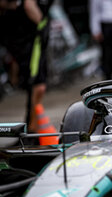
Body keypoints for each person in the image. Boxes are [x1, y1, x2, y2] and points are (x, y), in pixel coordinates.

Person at [0, 0, 57, 145]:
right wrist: (42, 22)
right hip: (28, 36)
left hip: (26, 35)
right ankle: (30, 131)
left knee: (36, 85)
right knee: (37, 85)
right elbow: (28, 5)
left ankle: (31, 130)